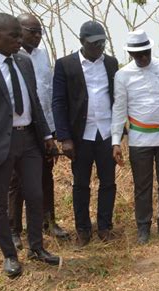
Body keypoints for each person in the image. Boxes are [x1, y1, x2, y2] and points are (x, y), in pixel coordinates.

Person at [0, 13, 60, 278]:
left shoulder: (23, 61)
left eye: (19, 34)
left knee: (35, 195)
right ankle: (10, 256)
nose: (19, 40)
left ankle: (36, 247)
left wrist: (46, 136)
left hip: (29, 141)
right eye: (13, 35)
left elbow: (34, 101)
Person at [111, 30, 159, 245]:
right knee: (142, 186)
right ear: (131, 54)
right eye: (138, 55)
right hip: (139, 139)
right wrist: (116, 140)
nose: (143, 57)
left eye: (145, 53)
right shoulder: (123, 75)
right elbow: (119, 108)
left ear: (150, 49)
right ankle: (143, 228)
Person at [52, 21, 118, 246]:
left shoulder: (111, 63)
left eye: (102, 42)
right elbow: (58, 102)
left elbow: (116, 98)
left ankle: (105, 226)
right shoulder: (65, 65)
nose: (99, 47)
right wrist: (65, 137)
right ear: (82, 42)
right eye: (94, 43)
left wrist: (118, 134)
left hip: (106, 133)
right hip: (80, 136)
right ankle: (83, 229)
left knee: (108, 182)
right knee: (81, 184)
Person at [8, 13, 69, 251]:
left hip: (42, 128)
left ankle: (48, 221)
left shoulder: (43, 57)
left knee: (46, 177)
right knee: (16, 182)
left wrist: (52, 132)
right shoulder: (12, 57)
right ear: (18, 31)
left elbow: (49, 94)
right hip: (18, 129)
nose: (37, 36)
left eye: (40, 32)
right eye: (32, 31)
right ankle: (15, 230)